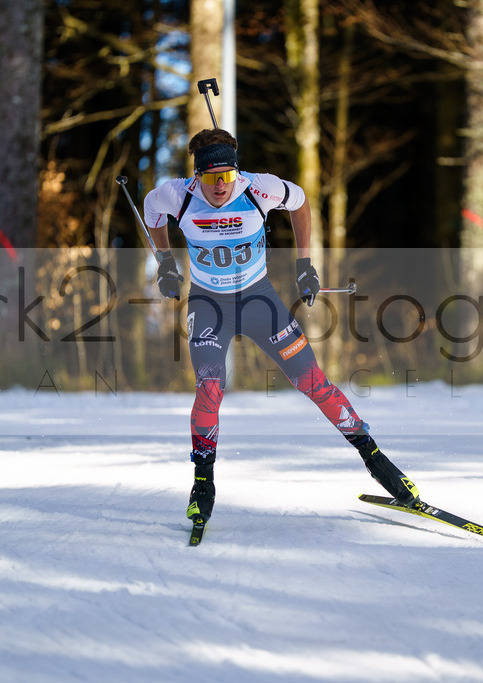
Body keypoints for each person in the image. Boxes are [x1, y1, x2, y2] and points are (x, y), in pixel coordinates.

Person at [143, 128, 420, 524]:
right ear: (196, 176)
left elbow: (301, 203)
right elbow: (152, 212)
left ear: (236, 171)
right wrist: (166, 263)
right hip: (209, 304)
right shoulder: (177, 195)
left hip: (259, 300)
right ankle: (203, 482)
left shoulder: (260, 189)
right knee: (210, 385)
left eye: (226, 176)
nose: (219, 186)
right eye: (209, 178)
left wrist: (304, 264)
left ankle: (375, 458)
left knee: (312, 382)